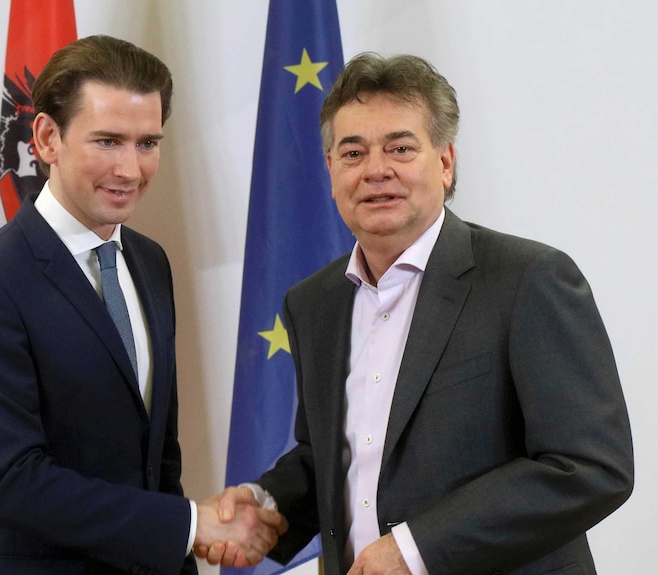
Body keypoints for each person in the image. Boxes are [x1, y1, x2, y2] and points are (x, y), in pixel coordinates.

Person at [203, 53, 634, 575]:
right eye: (353, 152)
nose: (376, 170)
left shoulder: (528, 279)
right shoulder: (313, 303)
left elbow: (588, 466)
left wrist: (416, 549)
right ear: (331, 170)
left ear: (445, 161)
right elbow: (340, 458)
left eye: (401, 148)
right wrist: (266, 505)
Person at [0, 35, 284, 575]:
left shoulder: (149, 262)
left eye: (147, 143)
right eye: (108, 141)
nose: (130, 169)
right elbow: (10, 481)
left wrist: (186, 542)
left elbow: (157, 457)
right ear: (48, 138)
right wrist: (192, 525)